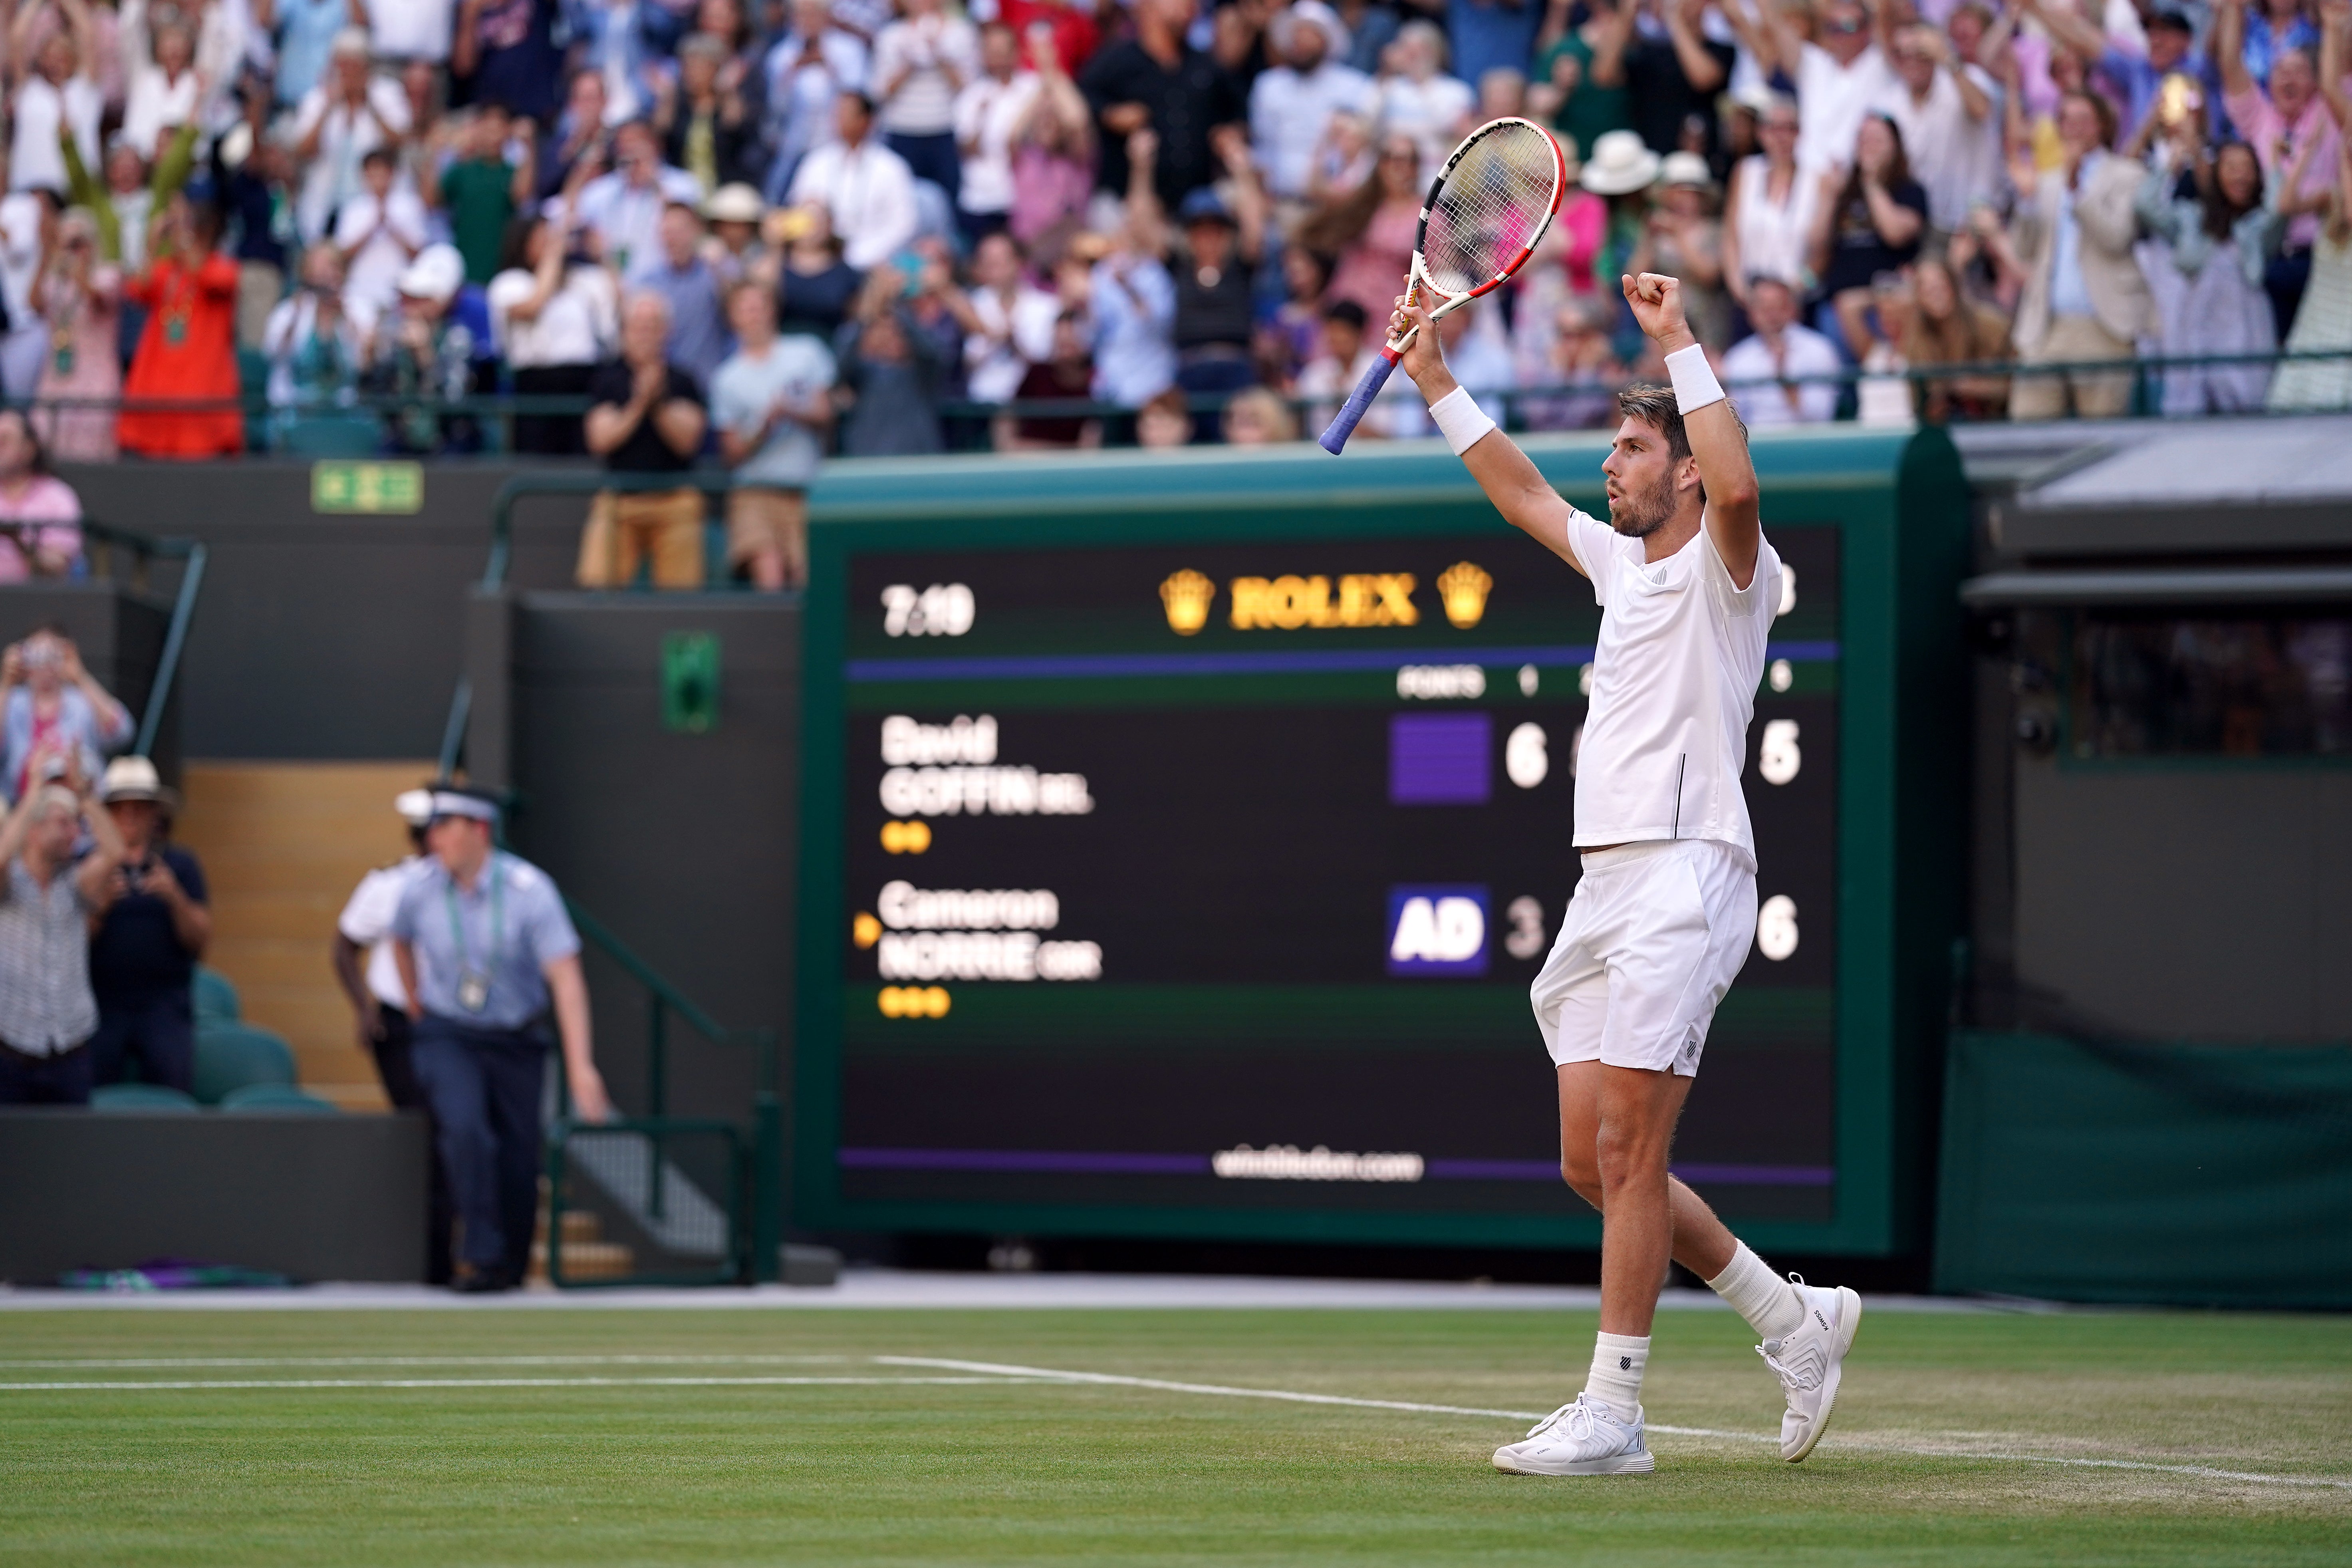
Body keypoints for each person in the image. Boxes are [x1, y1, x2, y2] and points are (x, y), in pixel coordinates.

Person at [1391, 267, 1857, 1477]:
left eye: (1636, 444)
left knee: (1631, 1157)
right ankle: (1791, 1320)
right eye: (1615, 443)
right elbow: (1519, 493)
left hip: (1686, 874)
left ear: (1686, 468)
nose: (1613, 462)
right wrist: (1436, 376)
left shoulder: (1731, 573)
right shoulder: (1621, 567)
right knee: (1584, 1160)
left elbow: (1743, 481)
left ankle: (1617, 1412)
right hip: (1606, 886)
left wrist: (1683, 343)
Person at [389, 788, 612, 1292]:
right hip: (448, 1031)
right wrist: (413, 996)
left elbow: (566, 976)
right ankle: (481, 1254)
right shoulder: (419, 887)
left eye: (447, 826)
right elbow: (398, 939)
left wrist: (580, 1064)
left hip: (515, 1036)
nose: (435, 837)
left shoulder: (530, 890)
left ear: (480, 830)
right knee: (466, 1128)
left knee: (518, 1155)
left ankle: (508, 1265)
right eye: (433, 826)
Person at [332, 786, 453, 1283]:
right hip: (399, 1024)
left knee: (451, 1132)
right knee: (426, 1130)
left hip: (451, 1023)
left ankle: (444, 1255)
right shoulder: (388, 883)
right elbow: (344, 946)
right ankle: (432, 1260)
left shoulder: (468, 885)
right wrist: (364, 1006)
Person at [2007, 89, 2152, 419]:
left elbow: (2116, 237)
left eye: (2084, 120)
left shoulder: (2127, 175)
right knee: (2028, 422)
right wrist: (2027, 202)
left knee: (2102, 434)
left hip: (2102, 324)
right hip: (2047, 326)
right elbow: (2024, 250)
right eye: (2067, 120)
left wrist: (2077, 191)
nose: (2074, 129)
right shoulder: (2046, 180)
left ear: (2101, 126)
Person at [85, 754, 209, 1093]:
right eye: (120, 807)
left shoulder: (180, 865)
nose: (130, 816)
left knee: (173, 1090)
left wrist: (174, 898)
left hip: (164, 1003)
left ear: (155, 814)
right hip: (102, 1003)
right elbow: (70, 944)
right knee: (93, 1097)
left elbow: (200, 940)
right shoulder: (89, 866)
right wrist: (101, 906)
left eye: (139, 807)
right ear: (107, 814)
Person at [0, 766, 123, 1106]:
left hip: (70, 1051)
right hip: (12, 1051)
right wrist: (34, 790)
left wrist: (84, 796)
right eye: (64, 823)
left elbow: (115, 852)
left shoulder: (74, 884)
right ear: (35, 831)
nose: (75, 833)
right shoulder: (10, 885)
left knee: (74, 1153)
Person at [2136, 131, 2280, 415]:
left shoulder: (2257, 225)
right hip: (2197, 339)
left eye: (2248, 168)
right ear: (2216, 175)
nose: (2240, 176)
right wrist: (2169, 166)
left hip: (2247, 338)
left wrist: (2275, 165)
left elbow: (2279, 210)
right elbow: (2145, 205)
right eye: (2231, 167)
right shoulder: (2191, 218)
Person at [580, 290, 710, 588]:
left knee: (682, 593)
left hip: (674, 498)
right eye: (637, 326)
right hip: (619, 498)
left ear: (666, 332)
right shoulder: (607, 379)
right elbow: (600, 440)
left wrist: (659, 404)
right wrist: (639, 404)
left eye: (652, 326)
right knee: (598, 585)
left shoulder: (683, 380)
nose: (644, 335)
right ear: (624, 332)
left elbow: (688, 441)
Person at [711, 280, 834, 589]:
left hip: (807, 490)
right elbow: (732, 453)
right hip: (755, 493)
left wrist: (791, 412)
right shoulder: (726, 378)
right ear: (732, 318)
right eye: (745, 309)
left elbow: (825, 415)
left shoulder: (806, 352)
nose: (753, 315)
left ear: (772, 311)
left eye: (759, 307)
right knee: (770, 580)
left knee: (809, 584)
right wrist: (765, 426)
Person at [1078, 0, 1245, 212]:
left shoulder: (1205, 66)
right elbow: (1083, 96)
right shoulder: (1117, 61)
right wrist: (1109, 114)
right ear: (1147, 6)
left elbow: (1237, 110)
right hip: (1129, 202)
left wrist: (1231, 133)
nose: (1188, 6)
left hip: (1196, 208)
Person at [488, 206, 621, 455]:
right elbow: (533, 306)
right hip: (536, 384)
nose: (550, 244)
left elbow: (623, 309)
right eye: (542, 239)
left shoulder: (585, 281)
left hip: (584, 380)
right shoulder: (509, 283)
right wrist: (555, 253)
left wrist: (604, 256)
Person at [118, 198, 244, 458]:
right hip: (158, 396)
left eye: (186, 230)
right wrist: (152, 243)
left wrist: (185, 237)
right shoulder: (166, 271)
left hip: (202, 396)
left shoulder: (222, 267)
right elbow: (137, 289)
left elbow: (214, 279)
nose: (178, 237)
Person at [1810, 113, 1929, 357]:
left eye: (1877, 140)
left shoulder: (1910, 191)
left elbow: (1896, 234)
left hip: (1886, 304)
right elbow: (1815, 244)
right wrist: (1829, 197)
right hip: (1836, 305)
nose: (1869, 147)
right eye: (1863, 140)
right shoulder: (1843, 192)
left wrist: (1872, 183)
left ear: (1895, 147)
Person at [292, 29, 415, 246]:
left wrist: (369, 104)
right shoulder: (318, 98)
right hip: (324, 205)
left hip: (371, 209)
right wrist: (328, 108)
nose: (347, 74)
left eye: (353, 66)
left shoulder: (388, 94)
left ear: (367, 68)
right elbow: (302, 151)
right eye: (342, 66)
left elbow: (400, 143)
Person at [1248, 1, 1375, 204]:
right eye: (1297, 35)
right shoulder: (1268, 86)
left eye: (1310, 35)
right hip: (1278, 201)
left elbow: (1362, 152)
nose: (1301, 42)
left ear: (1326, 41)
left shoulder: (1355, 86)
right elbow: (1263, 146)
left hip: (1334, 203)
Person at [786, 91, 920, 269]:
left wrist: (861, 256)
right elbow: (798, 209)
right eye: (836, 113)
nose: (837, 120)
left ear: (866, 121)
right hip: (819, 258)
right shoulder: (815, 162)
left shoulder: (892, 167)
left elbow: (903, 225)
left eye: (845, 113)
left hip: (874, 261)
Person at [0, 625, 131, 804]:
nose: (45, 664)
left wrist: (80, 676)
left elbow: (122, 733)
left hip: (80, 812)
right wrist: (6, 684)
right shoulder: (13, 702)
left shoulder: (81, 701)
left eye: (52, 654)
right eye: (36, 654)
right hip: (23, 811)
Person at [1721, 95, 1817, 325]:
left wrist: (1792, 296)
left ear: (1799, 133)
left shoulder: (1818, 180)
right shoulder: (1745, 172)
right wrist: (1740, 290)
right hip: (1749, 298)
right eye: (1774, 128)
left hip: (1796, 302)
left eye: (1789, 129)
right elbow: (1731, 236)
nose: (1781, 137)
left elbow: (1821, 250)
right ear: (1761, 133)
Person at [575, 118, 707, 283]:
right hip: (612, 280)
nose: (631, 150)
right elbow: (567, 221)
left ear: (655, 144)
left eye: (637, 142)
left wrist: (654, 180)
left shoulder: (683, 185)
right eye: (624, 144)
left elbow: (688, 230)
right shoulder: (600, 191)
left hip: (667, 283)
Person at [871, 0, 980, 197]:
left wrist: (939, 54)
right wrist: (908, 63)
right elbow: (880, 92)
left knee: (950, 198)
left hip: (946, 128)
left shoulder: (961, 32)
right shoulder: (890, 35)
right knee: (903, 197)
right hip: (903, 129)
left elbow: (969, 88)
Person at [425, 102, 534, 288]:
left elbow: (522, 196)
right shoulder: (463, 170)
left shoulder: (511, 173)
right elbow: (431, 200)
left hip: (500, 268)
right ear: (478, 129)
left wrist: (529, 146)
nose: (493, 136)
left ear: (508, 132)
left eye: (499, 129)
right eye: (488, 128)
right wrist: (433, 152)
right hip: (464, 265)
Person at [952, 20, 1041, 239]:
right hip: (982, 198)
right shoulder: (971, 95)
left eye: (1003, 51)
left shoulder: (1034, 88)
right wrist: (982, 118)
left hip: (1027, 196)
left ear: (1017, 52)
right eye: (991, 51)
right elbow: (967, 150)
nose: (998, 57)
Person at [1723, 274, 1845, 424]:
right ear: (1752, 313)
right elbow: (1735, 422)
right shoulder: (1737, 358)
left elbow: (1823, 416)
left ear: (1794, 309)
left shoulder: (1820, 349)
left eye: (1780, 307)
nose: (1772, 316)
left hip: (1809, 441)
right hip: (1756, 443)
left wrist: (1788, 385)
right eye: (1765, 309)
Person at [335, 147, 431, 334]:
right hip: (361, 290)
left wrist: (392, 226)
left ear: (393, 174)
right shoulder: (353, 209)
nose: (378, 178)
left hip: (400, 292)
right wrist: (372, 226)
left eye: (383, 172)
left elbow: (419, 253)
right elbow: (342, 255)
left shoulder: (410, 206)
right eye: (373, 172)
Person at [657, 31, 762, 196]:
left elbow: (737, 129)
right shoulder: (679, 106)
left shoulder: (728, 104)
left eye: (699, 67)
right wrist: (667, 97)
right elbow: (660, 132)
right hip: (685, 190)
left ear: (716, 69)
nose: (692, 74)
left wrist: (729, 91)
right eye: (687, 67)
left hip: (725, 188)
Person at [0, 413, 86, 578]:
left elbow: (58, 568)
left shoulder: (57, 497)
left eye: (5, 441)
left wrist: (18, 541)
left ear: (29, 449)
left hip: (37, 600)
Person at [774, 201, 867, 340]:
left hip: (829, 348)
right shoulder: (775, 263)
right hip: (780, 348)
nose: (813, 226)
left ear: (830, 226)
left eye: (818, 220)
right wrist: (774, 245)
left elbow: (861, 317)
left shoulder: (846, 274)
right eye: (806, 219)